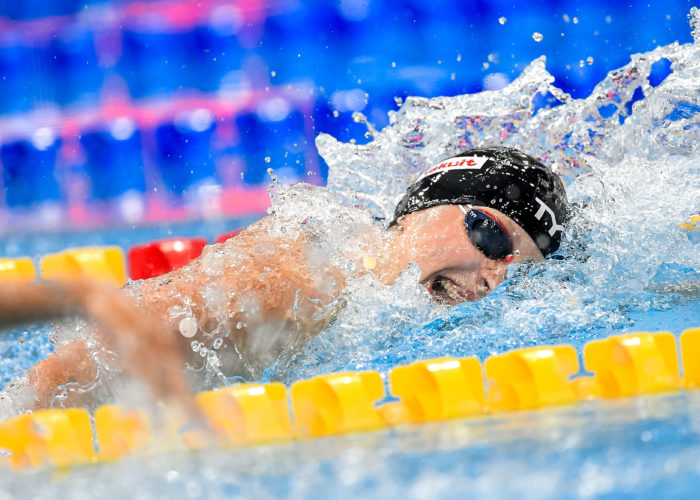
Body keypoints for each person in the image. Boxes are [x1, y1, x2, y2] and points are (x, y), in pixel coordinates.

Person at [20, 146, 568, 409]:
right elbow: (76, 365)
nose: (494, 275)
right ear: (423, 208)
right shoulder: (304, 280)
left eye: (516, 267)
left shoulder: (370, 305)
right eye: (492, 236)